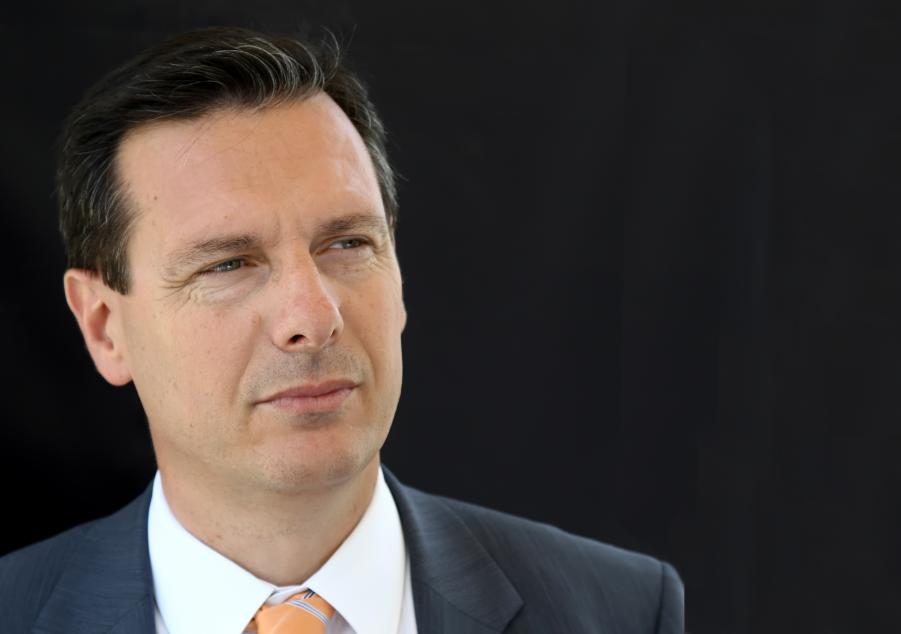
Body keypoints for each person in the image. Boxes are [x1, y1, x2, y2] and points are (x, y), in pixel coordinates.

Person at [0, 26, 684, 633]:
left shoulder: (622, 612)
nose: (313, 317)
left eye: (348, 244)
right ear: (104, 327)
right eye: (229, 263)